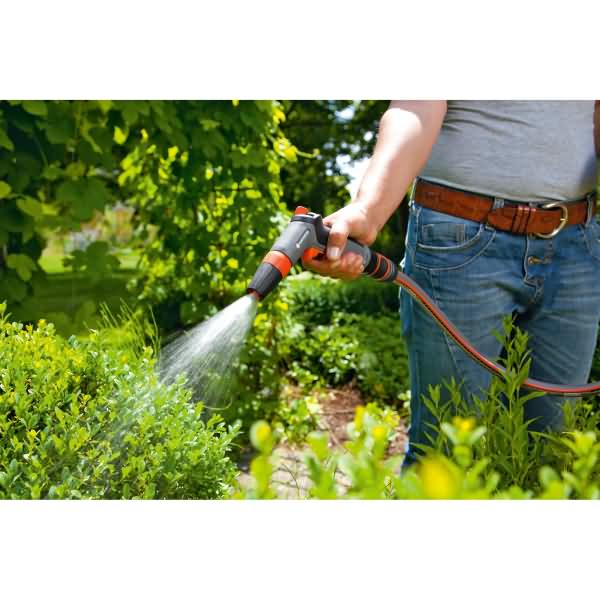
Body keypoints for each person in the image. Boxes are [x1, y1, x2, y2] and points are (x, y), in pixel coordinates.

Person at [304, 101, 600, 463]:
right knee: (444, 452)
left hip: (577, 241)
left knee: (556, 452)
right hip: (461, 237)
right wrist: (369, 209)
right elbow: (416, 106)